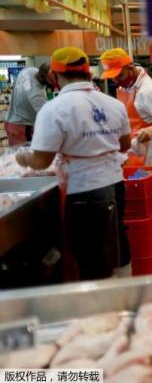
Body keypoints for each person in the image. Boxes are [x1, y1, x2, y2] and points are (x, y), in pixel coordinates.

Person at [15, 47, 132, 280]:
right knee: (117, 240)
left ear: (53, 76)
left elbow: (41, 161)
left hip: (84, 190)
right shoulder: (113, 103)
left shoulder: (53, 109)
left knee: (92, 258)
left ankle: (105, 301)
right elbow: (124, 145)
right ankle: (127, 292)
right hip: (115, 184)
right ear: (88, 72)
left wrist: (23, 157)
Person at [99, 48, 152, 166]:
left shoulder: (148, 90)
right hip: (128, 156)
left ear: (130, 67)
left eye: (119, 75)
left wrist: (151, 130)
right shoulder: (127, 86)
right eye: (112, 77)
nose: (116, 81)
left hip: (146, 161)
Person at [5, 64, 50, 145]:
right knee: (23, 152)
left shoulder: (29, 71)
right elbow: (48, 118)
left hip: (11, 122)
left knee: (15, 151)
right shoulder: (36, 96)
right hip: (22, 128)